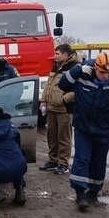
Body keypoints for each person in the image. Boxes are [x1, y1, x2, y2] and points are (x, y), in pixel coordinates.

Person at [58, 52, 109, 210]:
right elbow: (62, 85)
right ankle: (80, 194)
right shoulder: (82, 77)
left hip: (105, 131)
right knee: (82, 159)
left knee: (98, 162)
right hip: (83, 129)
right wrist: (77, 70)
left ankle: (93, 193)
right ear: (95, 68)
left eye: (108, 72)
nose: (105, 76)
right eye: (102, 72)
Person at [39, 44, 82, 175]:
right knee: (51, 136)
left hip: (64, 109)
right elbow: (48, 84)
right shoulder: (55, 66)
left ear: (65, 54)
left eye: (57, 54)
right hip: (51, 108)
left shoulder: (75, 68)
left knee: (63, 137)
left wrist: (64, 99)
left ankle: (63, 163)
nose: (55, 56)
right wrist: (43, 100)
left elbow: (78, 89)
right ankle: (52, 161)